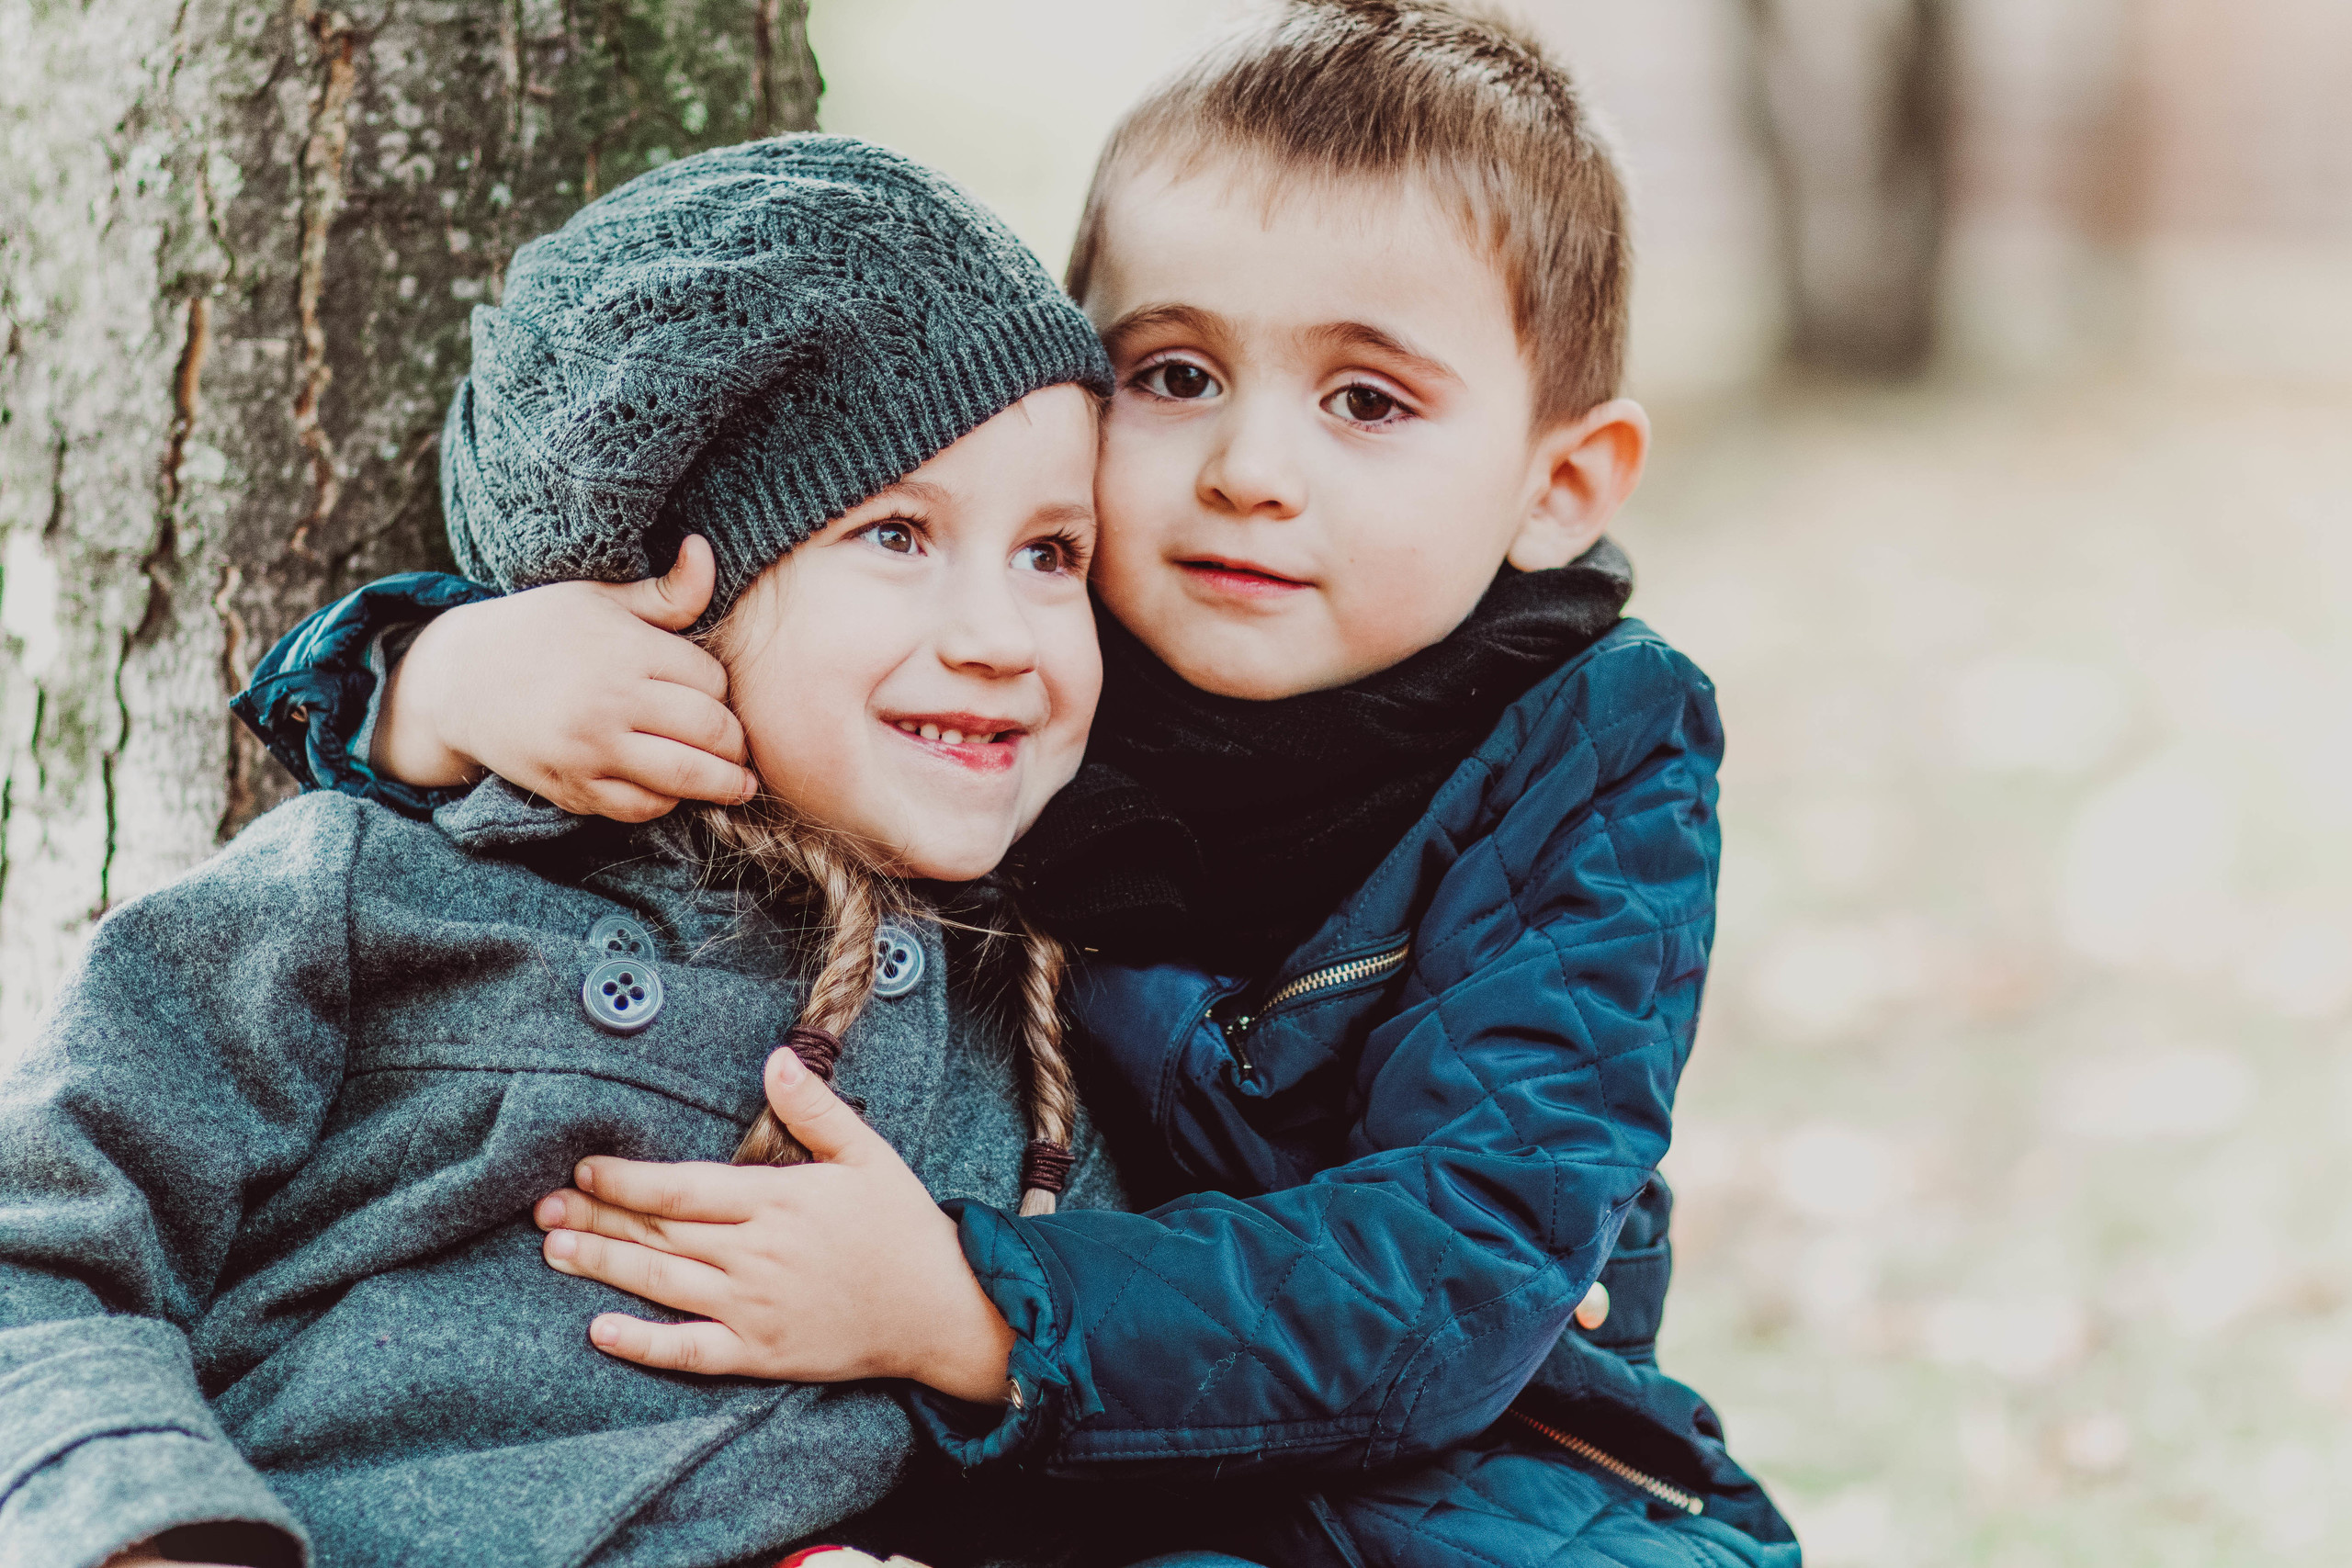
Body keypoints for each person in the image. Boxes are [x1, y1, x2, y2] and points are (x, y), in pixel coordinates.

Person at [233, 6, 1800, 1565]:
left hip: (1461, 1477)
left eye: (1366, 401)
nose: (1250, 467)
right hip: (1016, 1466)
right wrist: (430, 686)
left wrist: (966, 1306)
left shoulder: (1599, 748)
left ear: (1559, 484)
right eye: (1176, 373)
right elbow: (721, 681)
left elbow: (1454, 1273)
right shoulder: (1025, 657)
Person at [0, 138, 1139, 1568]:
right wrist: (140, 1531)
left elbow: (1109, 1445)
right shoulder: (385, 887)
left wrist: (959, 1350)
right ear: (649, 591)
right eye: (896, 533)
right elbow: (38, 1243)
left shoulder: (1028, 1048)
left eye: (1054, 554)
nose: (999, 635)